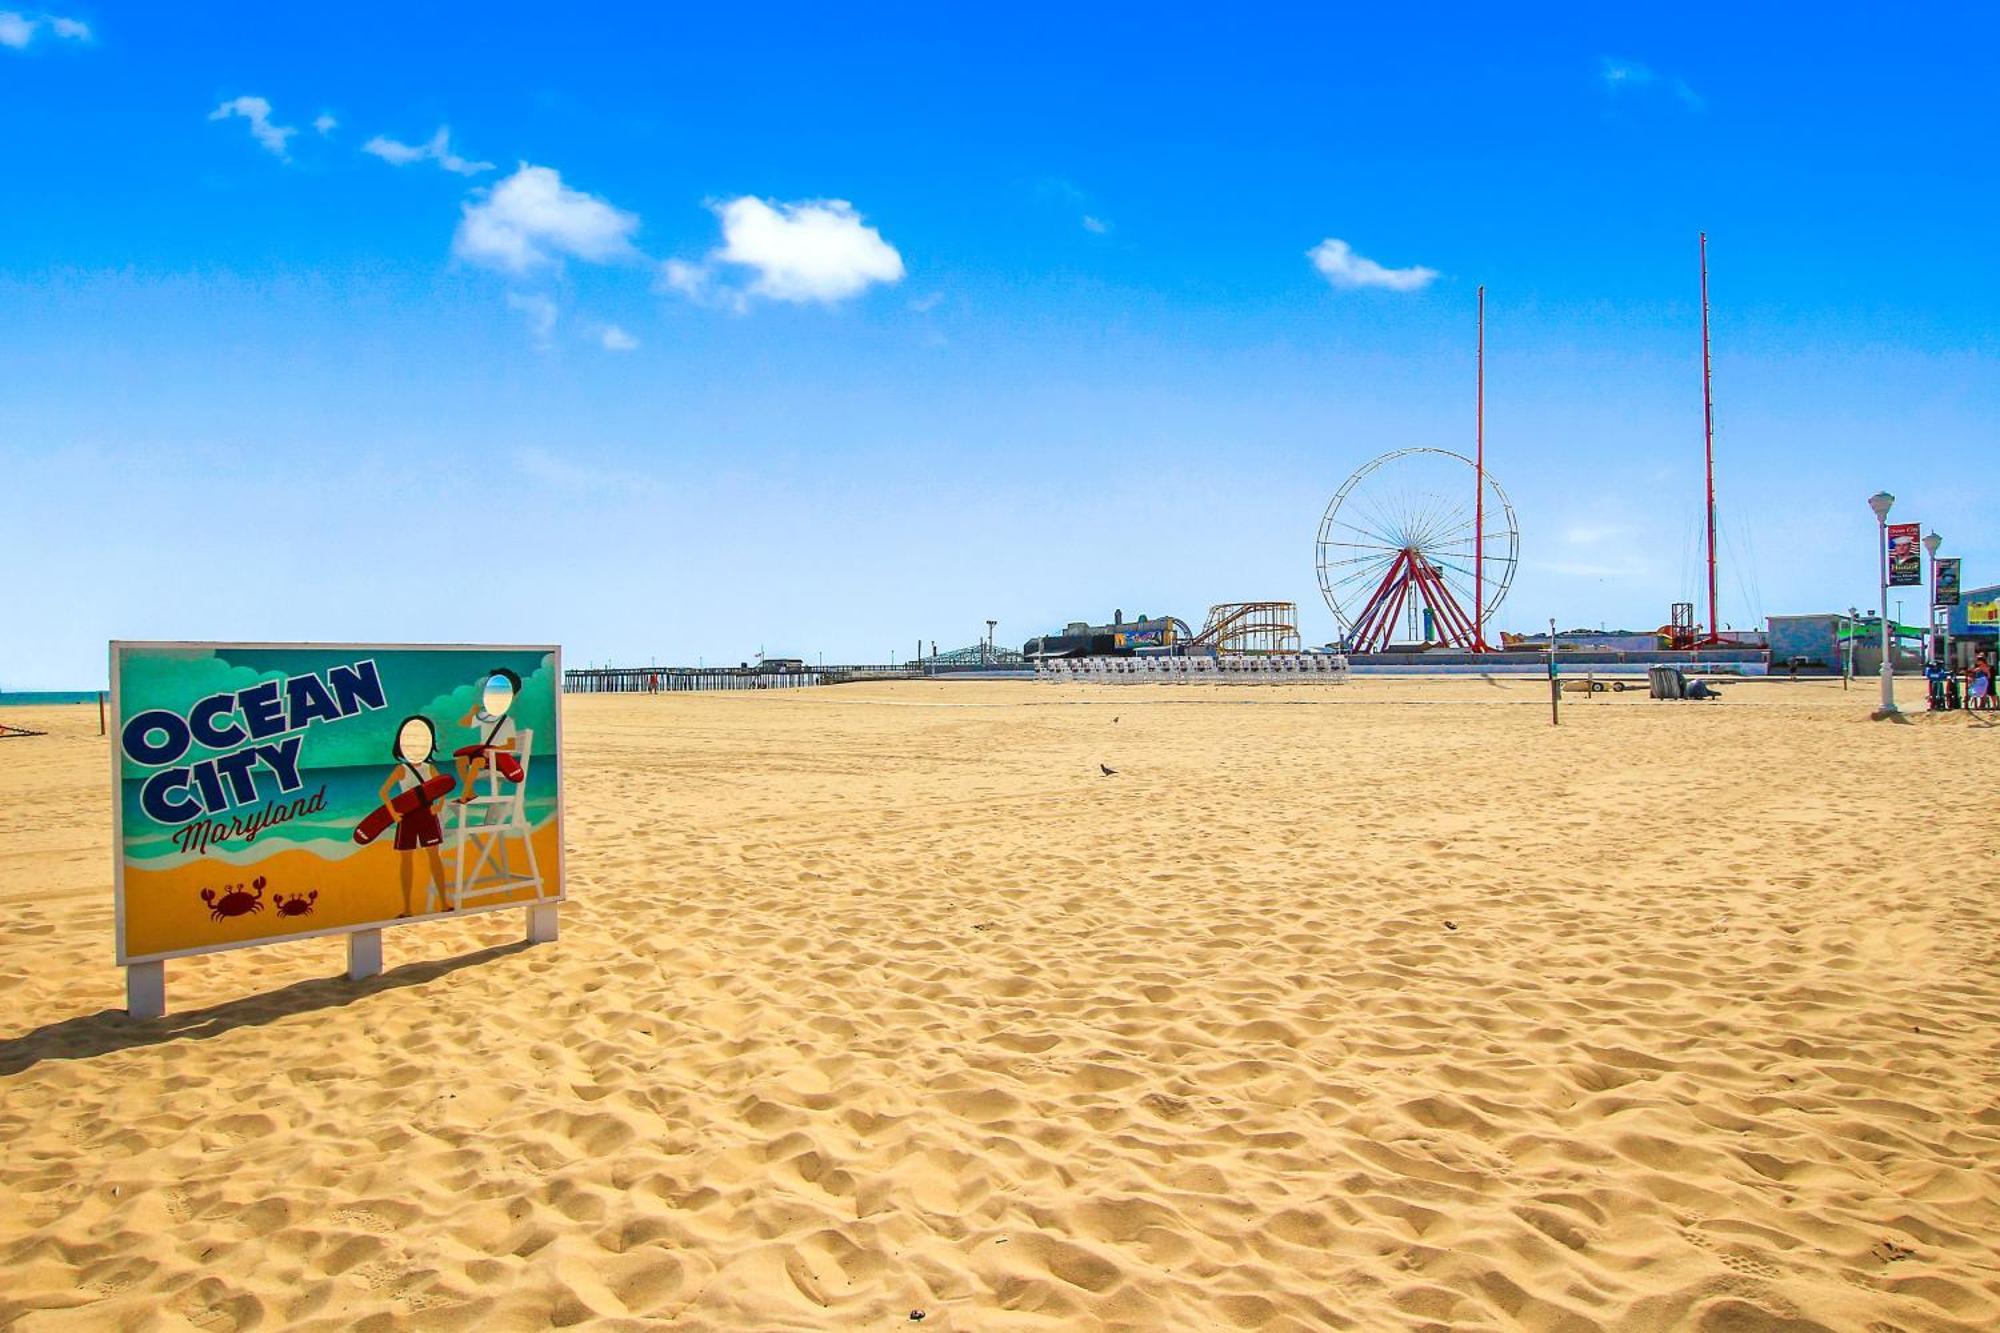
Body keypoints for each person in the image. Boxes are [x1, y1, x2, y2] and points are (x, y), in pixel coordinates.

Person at [378, 715, 449, 917]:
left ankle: (444, 902)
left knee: (434, 857)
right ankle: (407, 908)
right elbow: (384, 792)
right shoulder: (401, 769)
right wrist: (393, 813)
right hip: (407, 816)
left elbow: (442, 788)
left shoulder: (430, 768)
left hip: (427, 814)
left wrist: (439, 806)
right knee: (406, 860)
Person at [454, 668, 522, 803]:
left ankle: (465, 794)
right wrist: (471, 713)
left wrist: (492, 750)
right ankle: (471, 792)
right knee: (460, 760)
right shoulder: (485, 716)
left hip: (499, 758)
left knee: (476, 762)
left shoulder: (507, 721)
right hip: (484, 756)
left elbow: (511, 745)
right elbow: (463, 723)